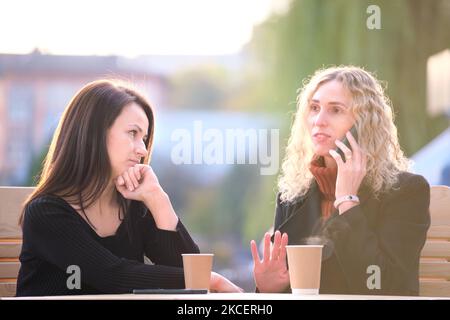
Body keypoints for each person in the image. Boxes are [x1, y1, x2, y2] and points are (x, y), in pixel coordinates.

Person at [17, 80, 242, 296]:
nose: (143, 150)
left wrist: (157, 199)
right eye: (132, 133)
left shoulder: (134, 207)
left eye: (144, 138)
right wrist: (210, 279)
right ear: (94, 133)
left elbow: (187, 276)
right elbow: (111, 276)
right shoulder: (45, 213)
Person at [250, 66, 431, 296]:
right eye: (314, 108)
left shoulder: (406, 191)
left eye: (335, 110)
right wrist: (268, 290)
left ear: (364, 124)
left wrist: (347, 201)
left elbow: (387, 286)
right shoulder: (293, 195)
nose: (319, 120)